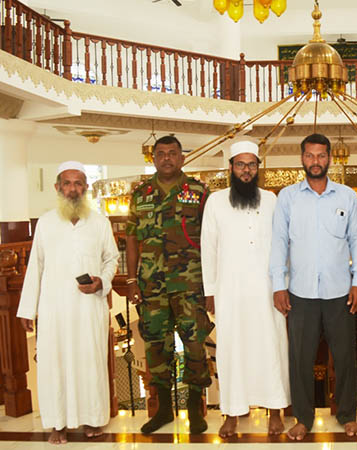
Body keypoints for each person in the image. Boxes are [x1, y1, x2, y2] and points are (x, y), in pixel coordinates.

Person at [269, 133, 357, 441]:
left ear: (330, 158)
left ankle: (347, 415)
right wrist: (278, 285)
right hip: (300, 292)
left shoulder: (346, 196)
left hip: (341, 292)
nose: (316, 161)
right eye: (310, 155)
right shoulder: (288, 197)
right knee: (300, 358)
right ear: (302, 159)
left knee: (345, 356)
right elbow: (279, 242)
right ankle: (303, 418)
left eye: (321, 155)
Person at [17, 161, 119, 445]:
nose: (73, 189)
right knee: (55, 365)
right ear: (57, 188)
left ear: (85, 188)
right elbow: (35, 267)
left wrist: (101, 282)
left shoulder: (99, 222)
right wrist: (28, 309)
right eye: (67, 183)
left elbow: (112, 259)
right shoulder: (46, 223)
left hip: (89, 307)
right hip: (54, 309)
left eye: (78, 184)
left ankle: (93, 419)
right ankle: (57, 424)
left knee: (90, 362)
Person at [200, 140, 290, 438]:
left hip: (267, 290)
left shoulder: (272, 200)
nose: (246, 170)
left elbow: (283, 246)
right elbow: (208, 248)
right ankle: (232, 412)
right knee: (232, 351)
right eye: (240, 164)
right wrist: (210, 291)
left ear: (258, 168)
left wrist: (283, 285)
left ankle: (275, 410)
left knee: (271, 348)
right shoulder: (215, 201)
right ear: (231, 168)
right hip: (230, 290)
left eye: (251, 164)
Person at [125, 135, 213, 435]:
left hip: (191, 283)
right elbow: (132, 238)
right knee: (156, 347)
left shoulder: (199, 192)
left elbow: (213, 237)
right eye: (160, 153)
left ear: (182, 158)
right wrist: (132, 280)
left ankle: (194, 409)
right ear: (153, 159)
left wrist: (212, 283)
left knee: (195, 345)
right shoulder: (141, 194)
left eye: (172, 153)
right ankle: (163, 409)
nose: (166, 158)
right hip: (152, 286)